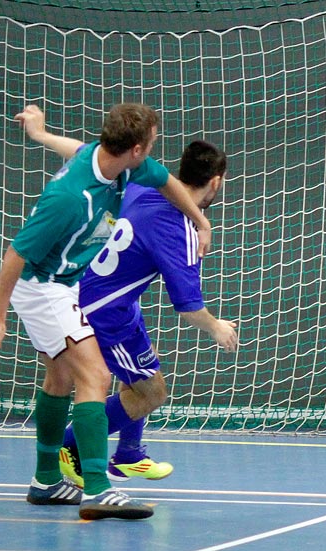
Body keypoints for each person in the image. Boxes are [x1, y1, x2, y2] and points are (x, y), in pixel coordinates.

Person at [0, 104, 212, 520]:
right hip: (41, 285)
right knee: (96, 374)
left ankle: (46, 480)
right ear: (137, 148)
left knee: (62, 376)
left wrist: (200, 221)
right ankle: (98, 487)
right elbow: (15, 255)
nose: (155, 155)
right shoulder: (70, 200)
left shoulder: (114, 163)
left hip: (66, 282)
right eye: (153, 145)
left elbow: (165, 181)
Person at [44, 140, 239, 487]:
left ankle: (129, 455)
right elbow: (189, 307)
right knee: (151, 392)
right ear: (216, 182)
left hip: (107, 297)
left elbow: (83, 151)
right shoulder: (179, 230)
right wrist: (216, 328)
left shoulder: (141, 181)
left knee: (144, 368)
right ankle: (68, 445)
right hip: (103, 310)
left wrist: (42, 135)